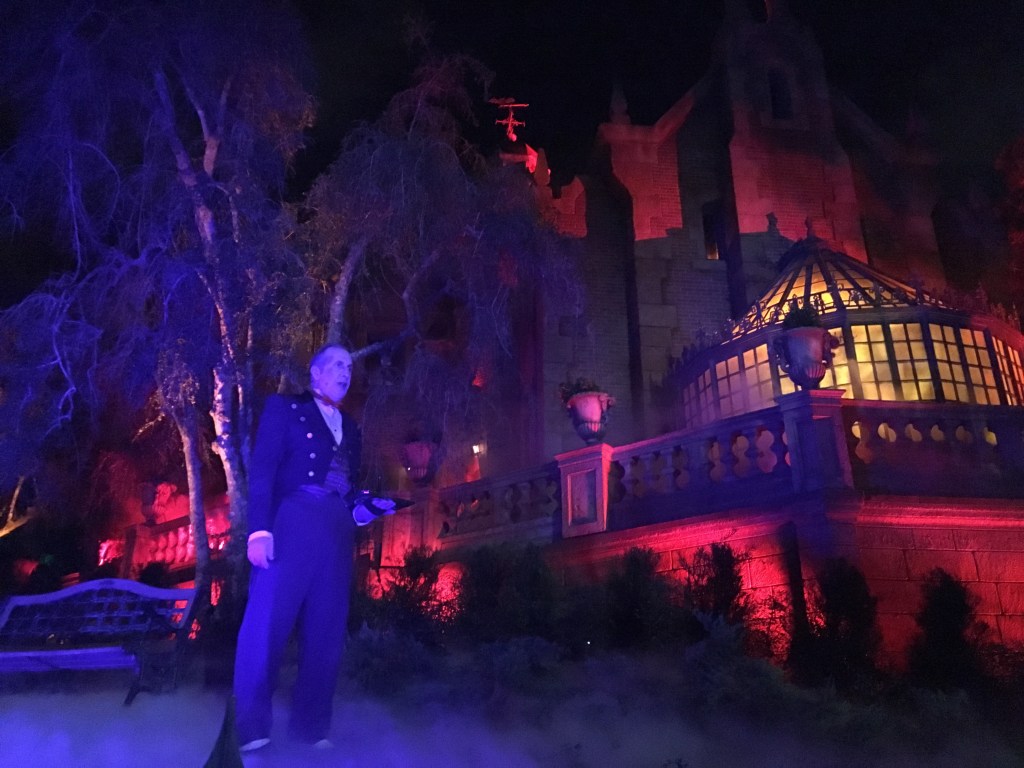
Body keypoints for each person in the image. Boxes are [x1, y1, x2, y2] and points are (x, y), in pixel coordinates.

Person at [233, 344, 394, 752]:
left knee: (327, 629)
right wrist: (259, 531)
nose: (345, 372)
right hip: (292, 521)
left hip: (336, 531)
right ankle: (251, 728)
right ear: (316, 373)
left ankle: (311, 727)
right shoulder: (285, 408)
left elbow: (345, 486)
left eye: (349, 367)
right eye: (337, 365)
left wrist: (365, 509)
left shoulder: (351, 428)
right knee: (267, 625)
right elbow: (264, 470)